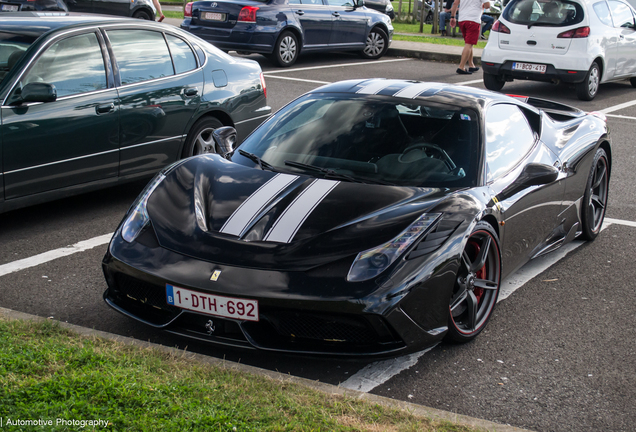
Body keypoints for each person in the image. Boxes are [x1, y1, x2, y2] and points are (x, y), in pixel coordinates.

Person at [450, 0, 490, 74]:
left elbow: (455, 3)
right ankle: (461, 67)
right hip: (473, 19)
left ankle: (471, 65)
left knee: (468, 43)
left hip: (462, 19)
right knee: (469, 44)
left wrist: (452, 17)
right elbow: (487, 5)